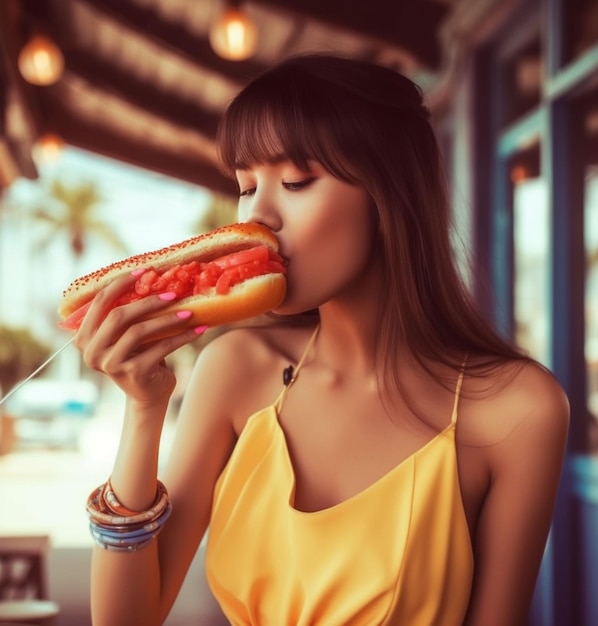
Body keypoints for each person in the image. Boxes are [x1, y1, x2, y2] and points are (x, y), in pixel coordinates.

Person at [75, 54, 570, 626]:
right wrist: (143, 407)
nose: (256, 217)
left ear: (389, 196)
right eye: (244, 186)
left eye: (295, 182)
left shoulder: (517, 409)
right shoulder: (235, 368)